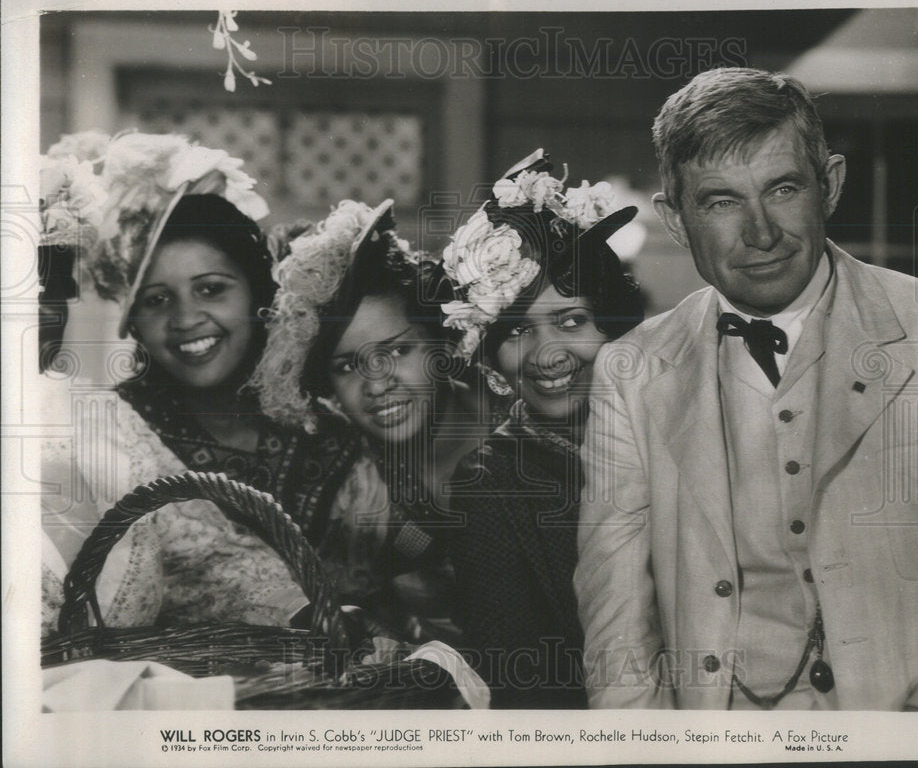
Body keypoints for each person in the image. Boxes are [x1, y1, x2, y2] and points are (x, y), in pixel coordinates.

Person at [574, 68, 918, 711]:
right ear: (674, 219)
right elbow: (617, 636)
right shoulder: (629, 373)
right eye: (721, 202)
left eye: (781, 189)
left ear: (829, 185)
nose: (760, 233)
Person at [41, 132, 360, 634]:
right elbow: (199, 567)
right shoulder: (117, 436)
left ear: (259, 292)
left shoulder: (329, 425)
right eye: (156, 300)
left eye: (211, 290)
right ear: (134, 325)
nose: (187, 319)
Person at [442, 150, 644, 708]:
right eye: (516, 331)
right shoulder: (489, 482)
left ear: (615, 326)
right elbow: (524, 690)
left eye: (572, 320)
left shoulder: (673, 432)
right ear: (490, 356)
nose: (548, 355)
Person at [250, 199, 498, 644]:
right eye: (347, 366)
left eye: (398, 351)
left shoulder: (519, 419)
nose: (377, 384)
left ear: (441, 343)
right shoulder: (352, 479)